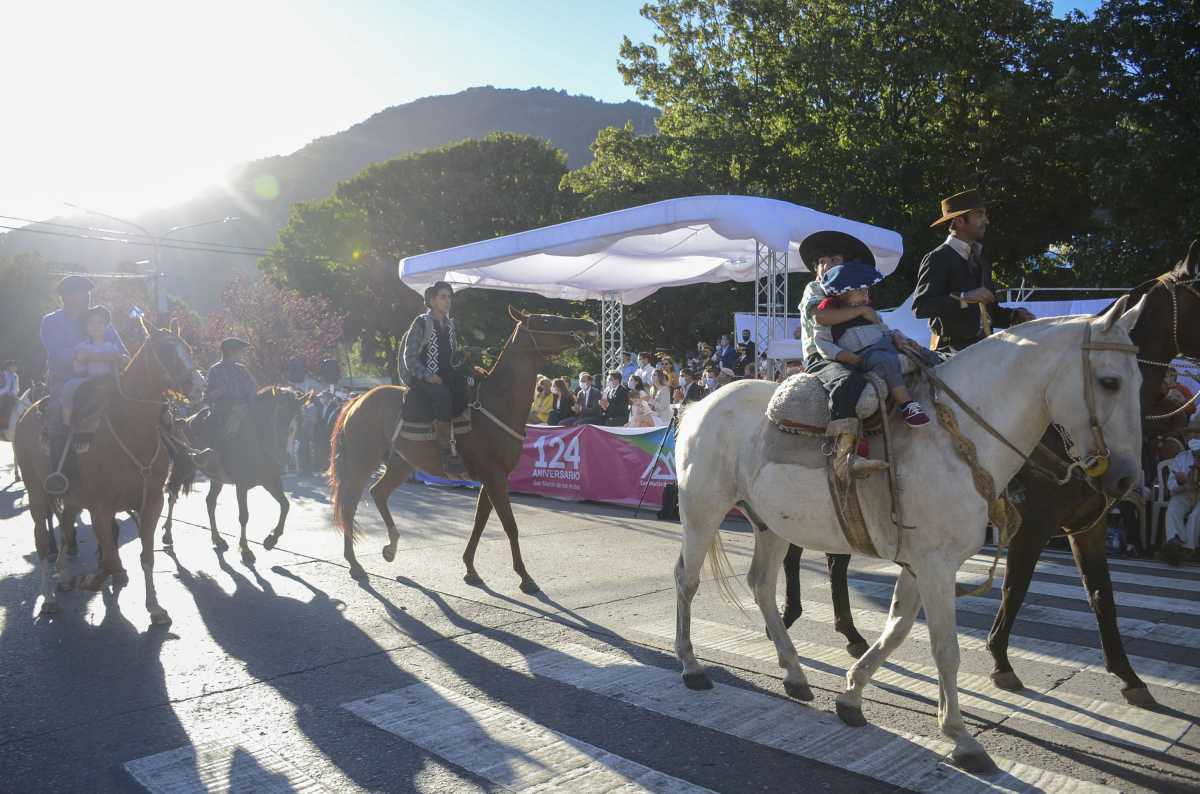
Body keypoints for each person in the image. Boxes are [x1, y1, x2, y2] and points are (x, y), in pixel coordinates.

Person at [798, 231, 884, 483]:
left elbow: (875, 324)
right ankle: (842, 453)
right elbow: (820, 317)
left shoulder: (853, 291)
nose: (827, 266)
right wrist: (861, 309)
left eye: (834, 260)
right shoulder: (815, 288)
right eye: (822, 262)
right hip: (821, 356)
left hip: (858, 351)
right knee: (848, 382)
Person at [814, 262, 940, 428]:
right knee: (886, 361)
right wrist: (844, 356)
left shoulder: (869, 311)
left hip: (886, 344)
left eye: (866, 290)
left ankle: (944, 374)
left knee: (919, 350)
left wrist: (898, 337)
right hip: (867, 355)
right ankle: (908, 406)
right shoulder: (830, 317)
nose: (865, 294)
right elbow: (822, 343)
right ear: (842, 293)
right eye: (859, 290)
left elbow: (884, 329)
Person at [912, 189, 1034, 353]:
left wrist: (1014, 316)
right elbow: (921, 307)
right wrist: (964, 298)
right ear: (959, 221)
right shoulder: (937, 258)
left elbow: (989, 312)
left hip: (984, 351)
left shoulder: (980, 259)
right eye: (979, 215)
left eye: (985, 215)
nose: (986, 221)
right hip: (951, 355)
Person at [39, 275, 129, 491]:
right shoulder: (51, 321)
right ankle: (61, 474)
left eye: (88, 294)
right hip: (67, 379)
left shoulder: (99, 320)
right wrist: (94, 355)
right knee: (57, 414)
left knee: (140, 406)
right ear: (66, 297)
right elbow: (58, 354)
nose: (87, 298)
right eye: (81, 294)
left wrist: (119, 357)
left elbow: (122, 351)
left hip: (105, 381)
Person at [399, 281, 469, 476]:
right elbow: (409, 357)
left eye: (449, 297)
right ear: (431, 300)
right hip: (423, 377)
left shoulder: (450, 325)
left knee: (469, 387)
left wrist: (468, 366)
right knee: (443, 396)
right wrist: (427, 375)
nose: (447, 301)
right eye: (443, 297)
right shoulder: (421, 322)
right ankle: (445, 450)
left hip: (446, 376)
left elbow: (453, 357)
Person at [60, 305, 129, 452]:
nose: (96, 327)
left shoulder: (111, 346)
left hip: (110, 380)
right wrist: (107, 358)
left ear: (106, 326)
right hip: (89, 380)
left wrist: (113, 358)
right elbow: (80, 362)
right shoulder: (82, 346)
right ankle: (70, 427)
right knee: (70, 391)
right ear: (86, 327)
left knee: (126, 393)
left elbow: (124, 359)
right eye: (91, 323)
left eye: (100, 323)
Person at [203, 338, 258, 474]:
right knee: (218, 426)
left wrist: (252, 401)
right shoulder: (215, 370)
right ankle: (215, 457)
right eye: (240, 351)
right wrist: (216, 393)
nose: (242, 354)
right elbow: (207, 396)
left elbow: (252, 388)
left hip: (244, 406)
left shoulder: (242, 370)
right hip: (224, 409)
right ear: (231, 352)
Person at [1163, 438, 1200, 564]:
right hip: (1185, 492)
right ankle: (1174, 541)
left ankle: (1188, 548)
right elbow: (1171, 483)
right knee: (1174, 506)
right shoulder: (1181, 458)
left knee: (1196, 515)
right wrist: (1182, 484)